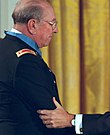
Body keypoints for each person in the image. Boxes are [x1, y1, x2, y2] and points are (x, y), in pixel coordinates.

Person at [0, 0, 75, 135]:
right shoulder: (26, 61)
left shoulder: (4, 48)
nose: (56, 30)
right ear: (33, 25)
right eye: (52, 23)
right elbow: (52, 118)